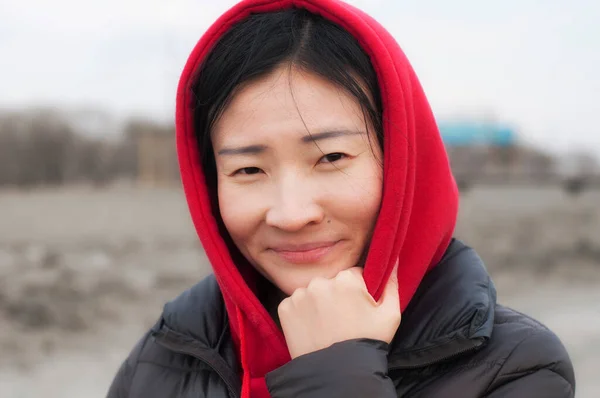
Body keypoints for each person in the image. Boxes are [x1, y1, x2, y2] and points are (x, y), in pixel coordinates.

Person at [107, 0, 575, 397]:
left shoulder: (516, 368)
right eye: (248, 169)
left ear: (401, 164)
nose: (292, 213)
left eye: (330, 157)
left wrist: (335, 374)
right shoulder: (168, 354)